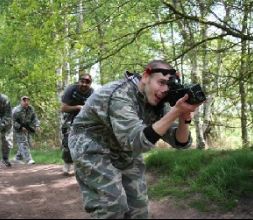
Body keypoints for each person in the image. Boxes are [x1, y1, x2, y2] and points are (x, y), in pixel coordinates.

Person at [68, 60, 204, 219]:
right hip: (92, 145)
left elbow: (180, 142)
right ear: (146, 76)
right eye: (161, 82)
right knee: (112, 206)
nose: (163, 90)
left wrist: (183, 117)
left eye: (168, 86)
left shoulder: (158, 100)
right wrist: (174, 112)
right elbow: (137, 142)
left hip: (124, 147)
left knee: (139, 209)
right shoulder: (120, 94)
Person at [61, 73, 94, 175]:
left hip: (85, 120)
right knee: (67, 143)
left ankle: (81, 166)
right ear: (79, 81)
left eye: (87, 82)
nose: (84, 84)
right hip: (70, 117)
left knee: (86, 143)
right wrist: (78, 107)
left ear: (90, 84)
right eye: (82, 81)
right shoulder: (71, 89)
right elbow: (63, 108)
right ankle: (67, 164)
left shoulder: (93, 93)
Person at [13, 96, 40, 165]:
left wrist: (37, 125)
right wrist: (20, 127)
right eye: (24, 101)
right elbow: (12, 121)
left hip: (27, 127)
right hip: (17, 128)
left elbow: (35, 118)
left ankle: (17, 158)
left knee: (28, 142)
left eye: (27, 100)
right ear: (21, 101)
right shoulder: (16, 110)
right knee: (23, 142)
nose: (26, 102)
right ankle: (29, 159)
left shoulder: (31, 109)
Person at [0, 93, 13, 167]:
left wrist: (2, 124)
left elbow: (8, 116)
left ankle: (5, 159)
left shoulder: (5, 99)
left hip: (5, 120)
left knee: (6, 139)